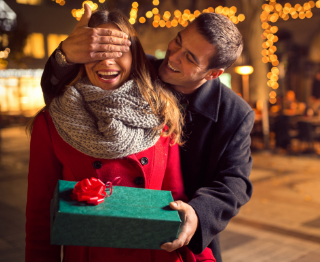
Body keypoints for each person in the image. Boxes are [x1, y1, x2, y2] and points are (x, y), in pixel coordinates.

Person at [40, 5, 255, 262]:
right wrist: (66, 54)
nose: (173, 56)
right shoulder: (142, 67)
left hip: (181, 229)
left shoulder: (235, 113)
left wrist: (197, 213)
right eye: (178, 41)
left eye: (190, 58)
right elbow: (66, 92)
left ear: (213, 74)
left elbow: (235, 182)